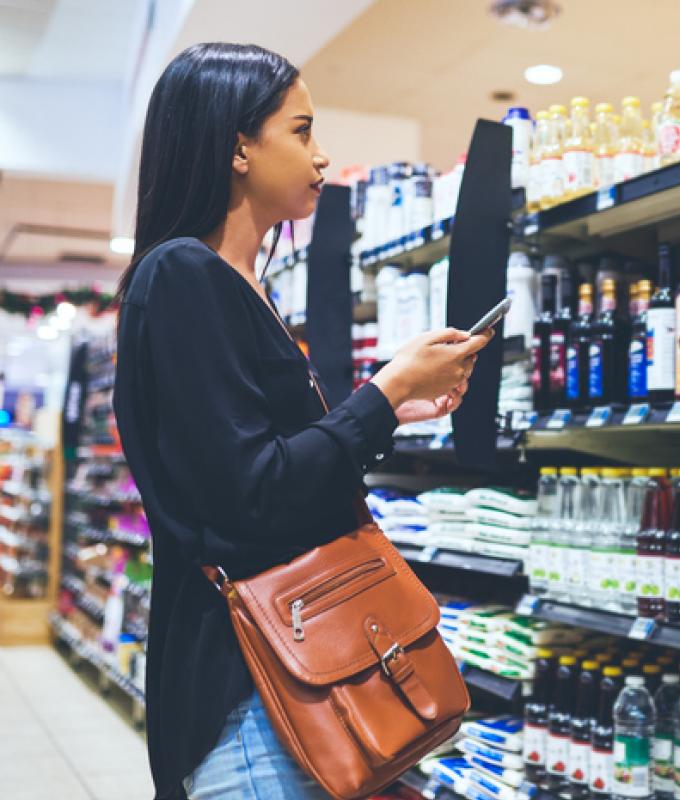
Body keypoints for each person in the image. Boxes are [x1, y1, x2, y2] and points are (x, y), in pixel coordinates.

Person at [112, 43, 492, 799]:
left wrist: (390, 410)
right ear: (237, 147)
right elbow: (250, 499)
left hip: (295, 676)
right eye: (301, 131)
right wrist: (380, 397)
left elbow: (264, 463)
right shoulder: (184, 275)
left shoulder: (241, 288)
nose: (322, 157)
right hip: (253, 695)